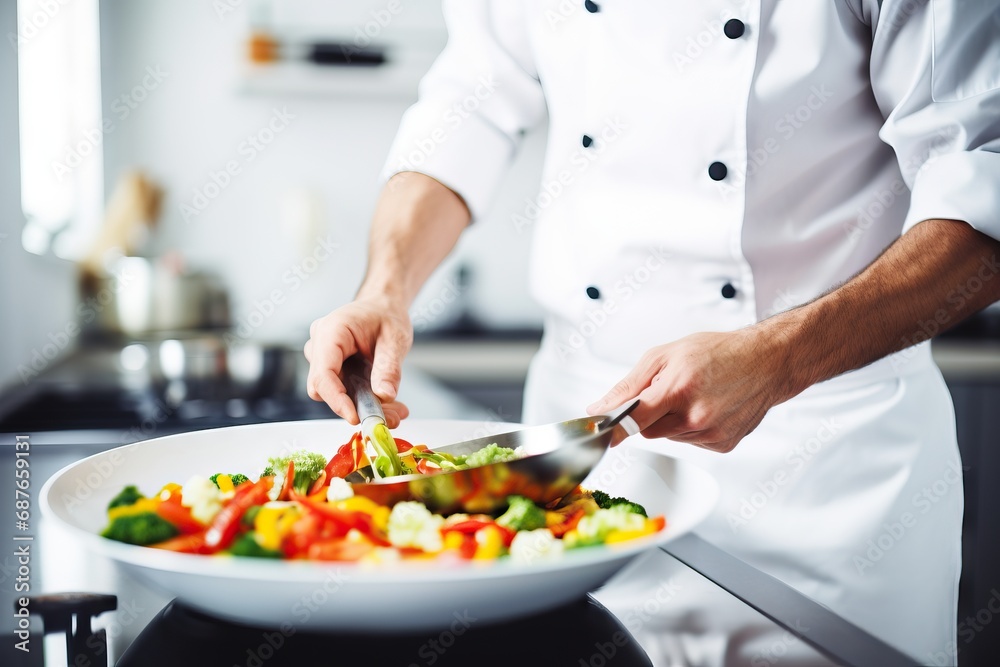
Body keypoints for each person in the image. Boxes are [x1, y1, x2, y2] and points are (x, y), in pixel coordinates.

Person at [303, 2, 1000, 664]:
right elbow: (473, 98)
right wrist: (385, 291)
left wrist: (780, 359)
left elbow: (983, 187)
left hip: (824, 469)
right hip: (575, 461)